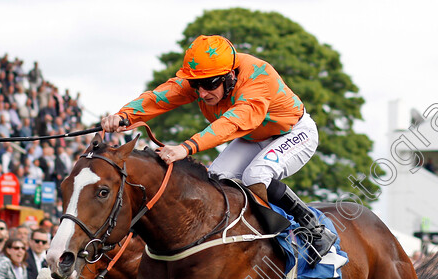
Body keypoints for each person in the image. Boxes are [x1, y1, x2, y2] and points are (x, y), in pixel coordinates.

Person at [101, 34, 336, 265]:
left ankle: (311, 227)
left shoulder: (259, 77)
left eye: (210, 85)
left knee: (256, 175)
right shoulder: (205, 75)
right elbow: (161, 97)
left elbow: (234, 121)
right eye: (196, 85)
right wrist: (124, 115)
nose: (202, 93)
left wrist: (186, 148)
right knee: (215, 179)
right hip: (253, 138)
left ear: (230, 75)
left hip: (295, 133)